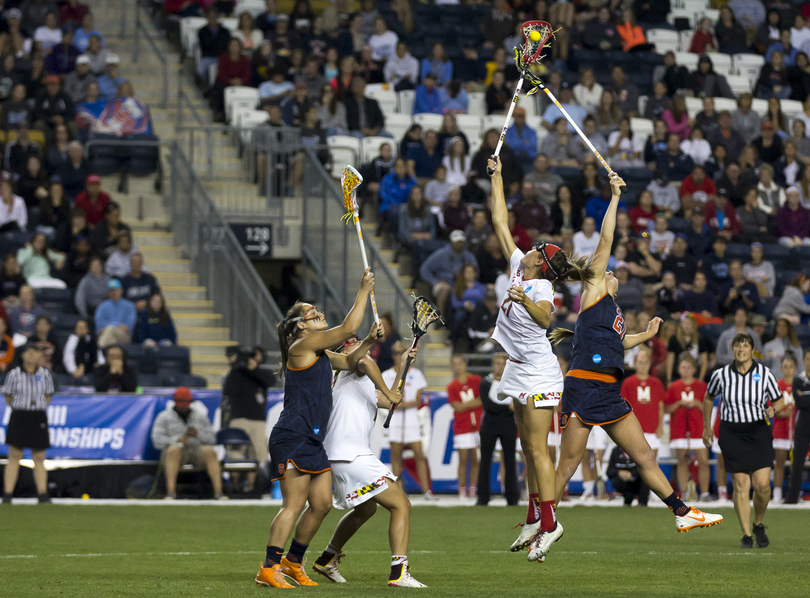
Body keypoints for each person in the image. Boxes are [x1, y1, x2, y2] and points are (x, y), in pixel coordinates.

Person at [551, 170, 722, 554]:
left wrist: (643, 336)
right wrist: (614, 198)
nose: (611, 271)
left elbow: (617, 343)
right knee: (567, 466)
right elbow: (607, 238)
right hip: (584, 385)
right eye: (610, 270)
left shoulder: (612, 311)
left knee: (644, 453)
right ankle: (542, 523)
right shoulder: (593, 288)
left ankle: (681, 510)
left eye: (614, 272)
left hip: (607, 389)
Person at [488, 156, 597, 562]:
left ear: (542, 264)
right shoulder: (521, 267)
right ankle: (535, 514)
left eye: (536, 250)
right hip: (518, 367)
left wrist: (523, 301)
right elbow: (500, 222)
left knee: (538, 449)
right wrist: (498, 177)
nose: (530, 249)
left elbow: (546, 318)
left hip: (538, 373)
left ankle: (550, 523)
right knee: (524, 445)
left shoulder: (540, 290)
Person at [255, 271, 375, 589]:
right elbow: (347, 328)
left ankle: (293, 562)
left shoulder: (320, 353)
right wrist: (363, 291)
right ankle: (268, 568)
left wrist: (370, 341)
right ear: (301, 326)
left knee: (321, 504)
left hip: (312, 438)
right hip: (293, 434)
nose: (317, 313)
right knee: (293, 505)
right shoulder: (303, 344)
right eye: (311, 312)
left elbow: (350, 363)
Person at [313, 337, 424, 588]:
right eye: (351, 343)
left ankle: (326, 559)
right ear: (344, 353)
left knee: (366, 509)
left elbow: (390, 401)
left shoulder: (362, 383)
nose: (357, 346)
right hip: (350, 455)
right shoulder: (351, 371)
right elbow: (365, 363)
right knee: (401, 505)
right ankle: (399, 573)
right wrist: (388, 391)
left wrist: (402, 366)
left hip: (343, 455)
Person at [703, 333, 782, 548]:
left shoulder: (764, 374)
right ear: (733, 349)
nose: (741, 349)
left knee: (763, 485)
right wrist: (707, 427)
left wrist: (773, 409)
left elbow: (779, 399)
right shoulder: (721, 375)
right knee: (741, 484)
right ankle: (746, 535)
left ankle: (758, 523)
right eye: (737, 346)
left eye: (745, 346)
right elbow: (709, 396)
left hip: (758, 431)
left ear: (751, 350)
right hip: (732, 432)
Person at [150, 387, 226, 500]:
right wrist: (177, 440)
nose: (183, 406)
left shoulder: (200, 417)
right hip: (175, 451)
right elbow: (156, 440)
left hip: (196, 448)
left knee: (210, 451)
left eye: (186, 403)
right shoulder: (164, 417)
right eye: (181, 403)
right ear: (175, 401)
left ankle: (219, 493)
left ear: (191, 402)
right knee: (173, 451)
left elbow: (212, 440)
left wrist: (198, 434)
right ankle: (171, 493)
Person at [2, 344, 54, 504]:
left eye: (35, 352)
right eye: (29, 352)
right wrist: (21, 408)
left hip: (37, 416)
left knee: (39, 456)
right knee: (14, 455)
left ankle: (42, 493)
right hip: (19, 415)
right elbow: (8, 396)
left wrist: (37, 407)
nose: (32, 355)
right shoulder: (13, 374)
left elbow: (48, 395)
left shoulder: (45, 374)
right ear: (23, 355)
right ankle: (7, 494)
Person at [221, 346, 276, 492]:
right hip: (238, 418)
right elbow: (228, 390)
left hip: (258, 421)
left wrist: (253, 369)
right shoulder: (236, 372)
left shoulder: (261, 373)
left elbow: (271, 380)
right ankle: (235, 486)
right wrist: (235, 367)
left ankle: (253, 487)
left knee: (258, 454)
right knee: (235, 452)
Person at [382, 341, 433, 499]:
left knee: (419, 453)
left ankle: (426, 490)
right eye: (396, 353)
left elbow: (418, 400)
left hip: (411, 417)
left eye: (401, 352)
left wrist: (403, 404)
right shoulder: (386, 375)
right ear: (393, 355)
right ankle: (398, 490)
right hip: (396, 418)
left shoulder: (416, 374)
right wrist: (398, 404)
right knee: (396, 455)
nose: (399, 356)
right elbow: (385, 397)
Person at [666, 353, 711, 502]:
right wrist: (679, 404)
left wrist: (697, 404)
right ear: (678, 369)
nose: (686, 370)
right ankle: (684, 492)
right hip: (680, 428)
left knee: (703, 460)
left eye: (689, 367)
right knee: (682, 460)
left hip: (698, 428)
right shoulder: (673, 387)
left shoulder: (701, 386)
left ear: (694, 369)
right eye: (683, 367)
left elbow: (708, 406)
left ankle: (704, 493)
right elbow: (667, 409)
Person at [475, 353, 518, 506]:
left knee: (510, 461)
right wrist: (508, 408)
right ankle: (483, 497)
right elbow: (488, 405)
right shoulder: (485, 382)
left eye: (503, 363)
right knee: (485, 460)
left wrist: (508, 408)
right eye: (498, 363)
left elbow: (517, 403)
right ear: (493, 365)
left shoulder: (512, 382)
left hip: (508, 425)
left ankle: (512, 497)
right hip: (489, 425)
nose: (501, 366)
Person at [418, 230, 477, 319]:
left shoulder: (469, 256)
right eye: (457, 242)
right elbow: (424, 269)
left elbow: (476, 272)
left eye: (461, 242)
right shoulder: (441, 254)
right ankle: (440, 318)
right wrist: (434, 281)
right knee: (445, 289)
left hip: (464, 284)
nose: (459, 244)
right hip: (444, 283)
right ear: (451, 242)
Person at [447, 355, 482, 499]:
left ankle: (473, 488)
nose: (458, 367)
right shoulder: (452, 386)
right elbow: (457, 406)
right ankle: (462, 489)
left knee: (475, 459)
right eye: (455, 364)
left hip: (478, 425)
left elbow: (481, 401)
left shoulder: (476, 381)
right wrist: (472, 403)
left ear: (465, 364)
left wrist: (466, 405)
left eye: (460, 363)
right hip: (462, 427)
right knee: (463, 459)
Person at [621, 349, 665, 460]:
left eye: (646, 362)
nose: (643, 365)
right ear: (635, 364)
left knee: (652, 462)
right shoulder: (628, 382)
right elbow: (623, 407)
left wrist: (660, 426)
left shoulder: (656, 383)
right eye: (640, 362)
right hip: (634, 429)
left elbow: (661, 406)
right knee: (635, 462)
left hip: (652, 429)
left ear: (650, 364)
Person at [785, 349, 810, 504]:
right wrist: (803, 398)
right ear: (804, 360)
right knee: (798, 463)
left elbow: (803, 401)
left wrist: (805, 396)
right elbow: (799, 403)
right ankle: (792, 498)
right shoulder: (797, 380)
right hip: (803, 426)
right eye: (808, 358)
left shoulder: (800, 384)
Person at [772, 354, 797, 503]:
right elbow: (771, 408)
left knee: (796, 463)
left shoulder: (800, 384)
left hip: (796, 430)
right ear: (781, 368)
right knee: (779, 462)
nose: (788, 370)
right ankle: (777, 493)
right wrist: (781, 413)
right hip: (780, 430)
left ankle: (794, 491)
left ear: (795, 368)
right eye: (785, 367)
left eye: (791, 367)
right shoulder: (777, 385)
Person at [94, 278, 137, 348]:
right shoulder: (102, 306)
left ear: (121, 290)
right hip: (107, 335)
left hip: (123, 336)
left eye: (116, 290)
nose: (114, 292)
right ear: (108, 292)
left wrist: (111, 326)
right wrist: (117, 325)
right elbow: (99, 324)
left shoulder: (130, 306)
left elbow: (129, 325)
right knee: (111, 339)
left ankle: (99, 350)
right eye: (111, 290)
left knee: (110, 329)